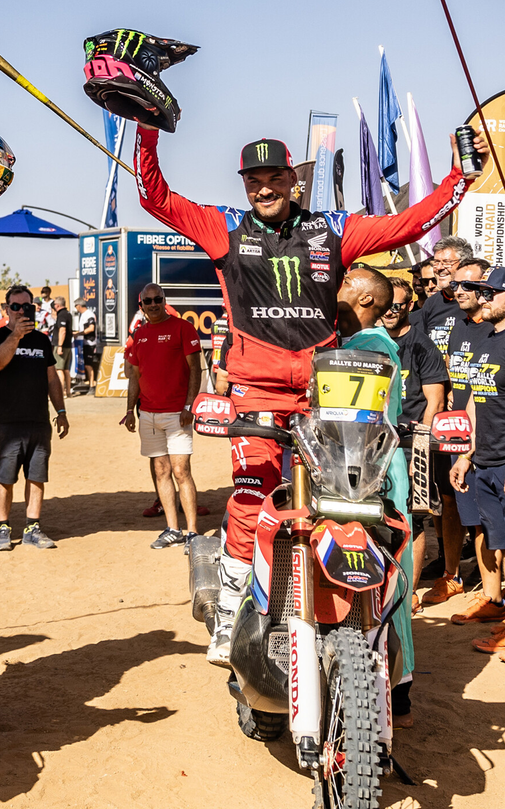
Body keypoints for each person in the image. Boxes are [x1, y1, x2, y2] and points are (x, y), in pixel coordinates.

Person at [134, 123, 481, 665]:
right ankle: (228, 613)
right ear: (245, 185)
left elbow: (411, 222)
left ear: (294, 180)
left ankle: (357, 621)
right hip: (256, 393)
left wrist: (461, 175)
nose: (265, 189)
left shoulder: (332, 229)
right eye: (255, 180)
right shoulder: (224, 227)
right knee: (251, 502)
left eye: (276, 178)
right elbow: (152, 195)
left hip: (326, 395)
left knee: (348, 504)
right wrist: (147, 128)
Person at [335, 267, 418, 726]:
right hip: (365, 473)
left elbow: (357, 427)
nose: (337, 284)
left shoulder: (368, 349)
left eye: (348, 282)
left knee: (385, 580)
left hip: (373, 478)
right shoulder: (358, 345)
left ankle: (396, 688)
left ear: (366, 300)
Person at [425, 257, 492, 606]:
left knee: (490, 515)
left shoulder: (496, 329)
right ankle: (453, 575)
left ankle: (492, 587)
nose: (459, 290)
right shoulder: (460, 325)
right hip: (458, 429)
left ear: (486, 289)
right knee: (453, 503)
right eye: (457, 284)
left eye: (469, 285)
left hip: (492, 431)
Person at [0, 285, 69, 550]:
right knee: (6, 477)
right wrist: (16, 337)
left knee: (37, 476)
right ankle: (3, 527)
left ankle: (32, 527)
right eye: (16, 306)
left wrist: (62, 411)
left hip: (39, 421)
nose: (22, 311)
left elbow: (52, 378)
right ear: (7, 309)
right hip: (8, 423)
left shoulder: (42, 340)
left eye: (27, 306)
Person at [449, 268, 505, 654]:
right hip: (482, 459)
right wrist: (466, 454)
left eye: (491, 293)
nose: (482, 299)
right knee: (496, 539)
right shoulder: (487, 338)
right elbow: (473, 398)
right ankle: (496, 604)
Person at [383, 276, 448, 601]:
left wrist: (419, 457)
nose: (391, 311)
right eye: (386, 305)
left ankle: (407, 596)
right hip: (374, 445)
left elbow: (434, 402)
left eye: (398, 305)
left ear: (410, 305)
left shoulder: (422, 345)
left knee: (414, 519)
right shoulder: (372, 342)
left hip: (412, 446)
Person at [122, 282, 202, 548]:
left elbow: (195, 369)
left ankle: (191, 531)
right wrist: (129, 410)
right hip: (148, 414)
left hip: (177, 414)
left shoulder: (183, 328)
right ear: (141, 305)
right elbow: (134, 376)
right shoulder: (138, 335)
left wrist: (189, 405)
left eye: (158, 299)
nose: (154, 304)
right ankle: (172, 529)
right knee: (161, 470)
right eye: (149, 301)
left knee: (181, 471)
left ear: (164, 301)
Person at [74, 298, 99, 390]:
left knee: (89, 364)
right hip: (83, 342)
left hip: (90, 343)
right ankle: (88, 383)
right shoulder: (83, 315)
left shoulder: (89, 314)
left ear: (79, 306)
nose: (76, 309)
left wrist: (79, 333)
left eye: (75, 306)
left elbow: (91, 328)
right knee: (85, 363)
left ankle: (92, 385)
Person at [50, 297, 73, 389]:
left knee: (59, 369)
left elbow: (62, 330)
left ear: (57, 305)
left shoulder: (62, 315)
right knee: (66, 370)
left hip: (61, 346)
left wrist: (59, 346)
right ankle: (68, 391)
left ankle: (61, 391)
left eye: (54, 304)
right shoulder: (68, 314)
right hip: (67, 345)